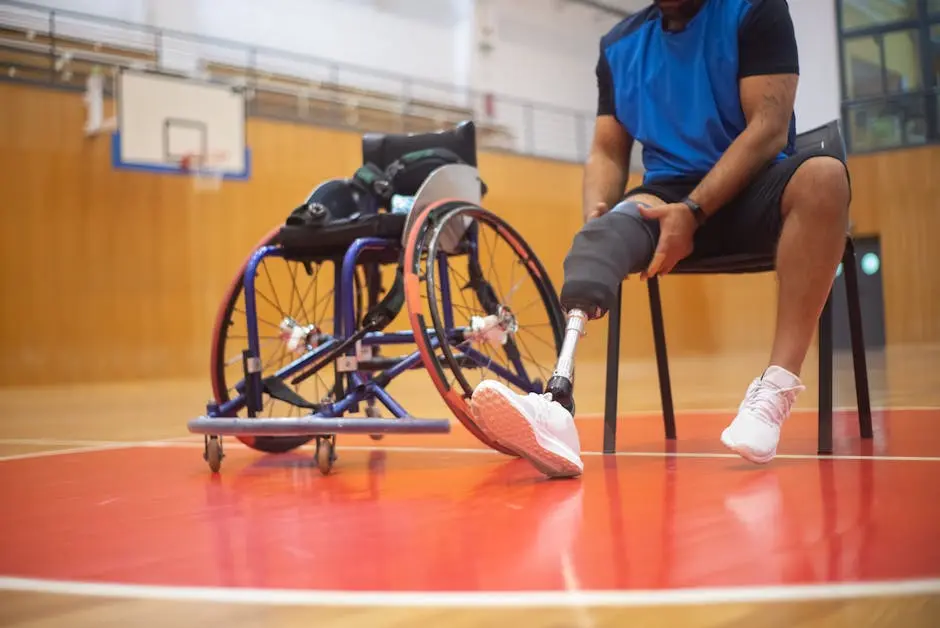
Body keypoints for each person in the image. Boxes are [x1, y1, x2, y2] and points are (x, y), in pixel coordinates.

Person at [468, 0, 851, 478]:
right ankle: (556, 403)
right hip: (665, 196)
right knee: (598, 237)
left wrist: (694, 210)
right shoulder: (619, 46)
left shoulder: (756, 10)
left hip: (754, 185)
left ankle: (774, 389)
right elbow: (608, 151)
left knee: (825, 178)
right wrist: (598, 212)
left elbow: (769, 129)